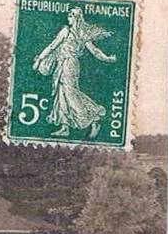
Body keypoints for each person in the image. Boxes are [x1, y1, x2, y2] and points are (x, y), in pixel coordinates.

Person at [32, 7, 117, 139]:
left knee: (71, 93)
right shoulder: (73, 32)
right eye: (69, 15)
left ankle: (94, 119)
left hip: (69, 65)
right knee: (61, 94)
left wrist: (107, 58)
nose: (69, 17)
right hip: (63, 64)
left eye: (71, 15)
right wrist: (40, 59)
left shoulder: (74, 33)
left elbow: (93, 50)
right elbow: (53, 46)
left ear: (77, 18)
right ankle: (64, 127)